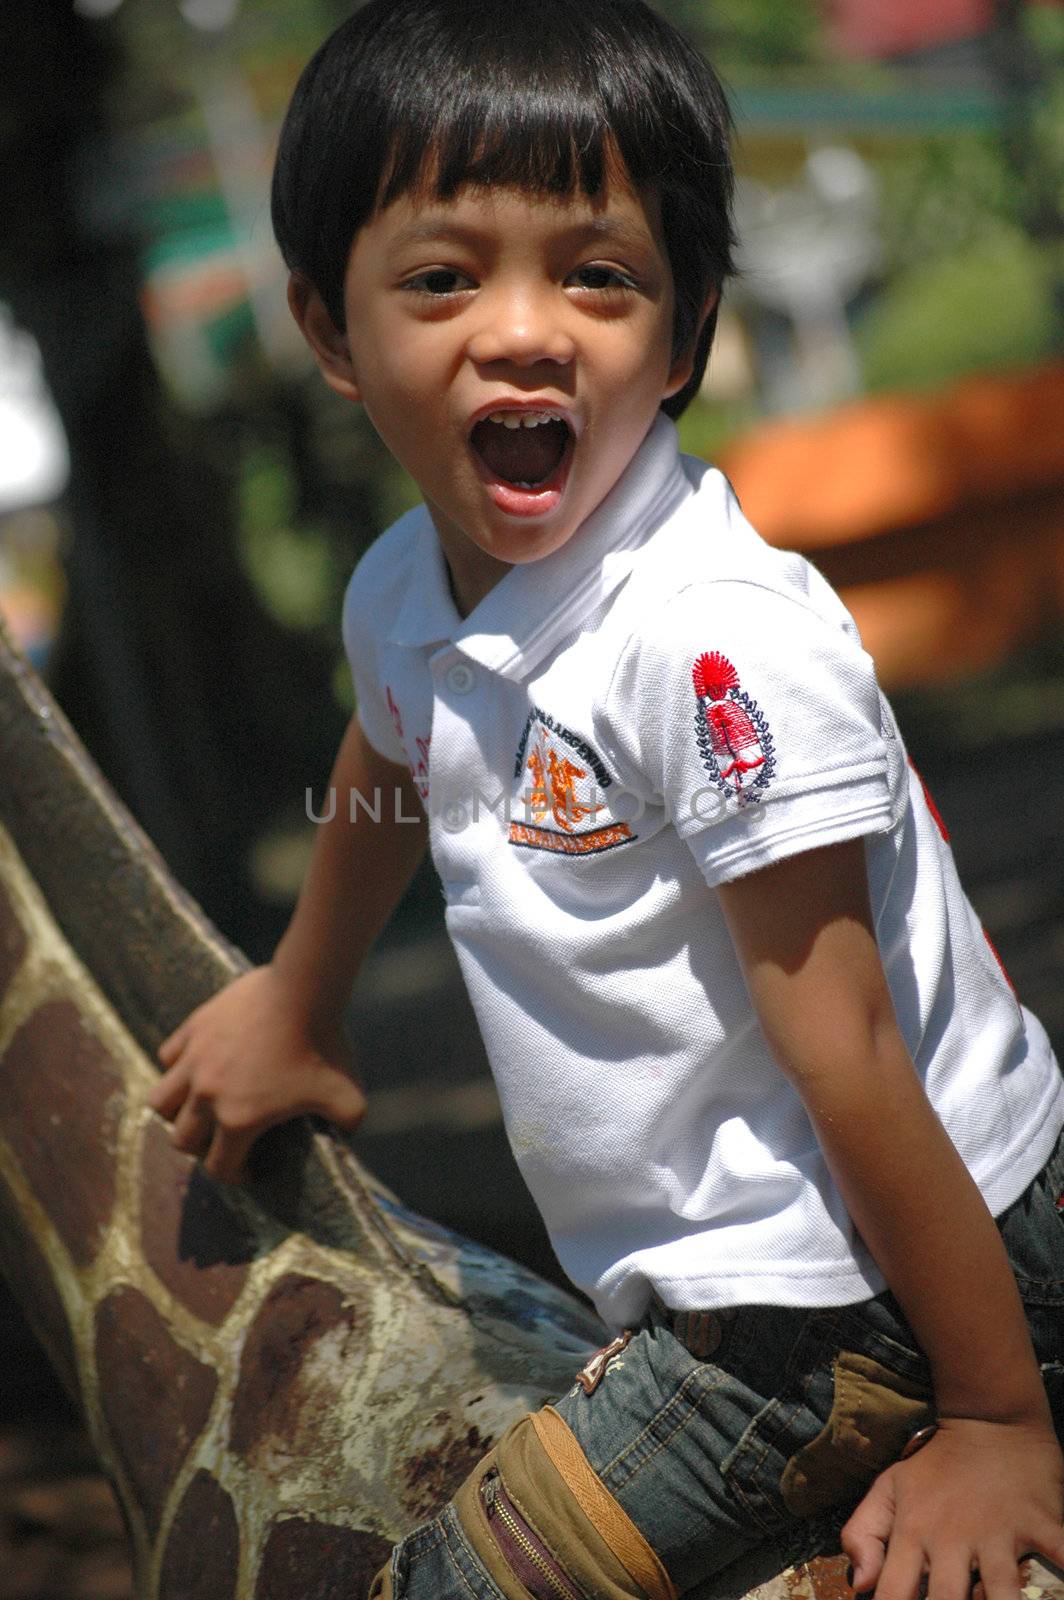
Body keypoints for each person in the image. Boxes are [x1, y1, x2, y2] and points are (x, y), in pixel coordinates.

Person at [147, 1, 1064, 1596]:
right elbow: (392, 754)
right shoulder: (401, 590)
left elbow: (843, 1050)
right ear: (328, 328)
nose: (523, 329)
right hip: (764, 1254)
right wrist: (301, 1003)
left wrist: (995, 1412)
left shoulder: (708, 645)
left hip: (858, 1283)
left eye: (599, 274)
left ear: (687, 329)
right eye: (442, 276)